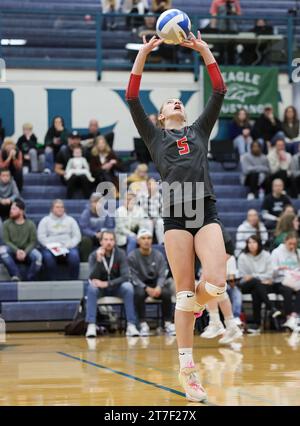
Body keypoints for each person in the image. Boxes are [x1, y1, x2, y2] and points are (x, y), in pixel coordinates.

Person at [126, 32, 228, 402]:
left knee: (216, 282)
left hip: (205, 208)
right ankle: (188, 372)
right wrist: (144, 54)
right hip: (175, 215)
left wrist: (203, 49)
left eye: (179, 100)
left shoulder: (199, 130)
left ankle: (197, 305)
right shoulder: (154, 137)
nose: (176, 103)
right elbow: (132, 97)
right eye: (170, 102)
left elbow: (218, 91)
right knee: (184, 292)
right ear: (161, 116)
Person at [85, 230, 140, 338]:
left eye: (111, 240)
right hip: (100, 289)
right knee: (91, 288)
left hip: (116, 287)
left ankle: (131, 325)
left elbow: (125, 276)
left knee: (128, 287)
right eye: (106, 240)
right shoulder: (93, 255)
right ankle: (91, 325)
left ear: (115, 242)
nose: (108, 242)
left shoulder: (121, 254)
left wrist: (108, 283)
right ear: (101, 242)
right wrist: (99, 260)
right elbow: (92, 278)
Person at [128, 228, 175, 335]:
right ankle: (142, 324)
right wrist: (146, 288)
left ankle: (167, 323)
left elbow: (162, 274)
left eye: (149, 238)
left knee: (166, 293)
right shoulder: (132, 256)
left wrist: (159, 286)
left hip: (156, 284)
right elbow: (133, 277)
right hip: (141, 285)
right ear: (138, 241)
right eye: (143, 238)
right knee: (138, 294)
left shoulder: (158, 255)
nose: (146, 241)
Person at [238, 235, 281, 332]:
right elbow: (243, 276)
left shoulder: (266, 255)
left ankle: (257, 324)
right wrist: (259, 277)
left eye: (254, 242)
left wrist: (253, 276)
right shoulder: (243, 257)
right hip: (246, 285)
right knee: (255, 283)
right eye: (249, 242)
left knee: (256, 290)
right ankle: (271, 307)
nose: (251, 245)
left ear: (259, 244)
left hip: (262, 285)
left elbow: (270, 273)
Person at [37, 199, 81, 280]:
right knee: (48, 258)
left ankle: (74, 280)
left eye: (62, 207)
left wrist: (68, 245)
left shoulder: (71, 220)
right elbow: (41, 237)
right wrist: (53, 247)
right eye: (57, 207)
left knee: (74, 256)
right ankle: (52, 281)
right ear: (52, 209)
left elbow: (77, 236)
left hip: (68, 246)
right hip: (50, 247)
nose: (60, 209)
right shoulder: (45, 221)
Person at [0, 199, 42, 281]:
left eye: (14, 209)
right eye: (11, 209)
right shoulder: (6, 224)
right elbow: (6, 241)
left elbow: (33, 241)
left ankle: (30, 278)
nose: (11, 211)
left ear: (21, 211)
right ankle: (16, 275)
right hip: (13, 249)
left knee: (38, 257)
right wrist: (17, 251)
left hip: (27, 249)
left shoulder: (30, 224)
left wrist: (25, 252)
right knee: (2, 251)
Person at [271, 233, 300, 331]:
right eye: (290, 243)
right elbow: (271, 271)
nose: (292, 246)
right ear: (285, 241)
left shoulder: (298, 252)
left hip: (295, 281)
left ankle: (294, 316)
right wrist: (279, 268)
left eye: (294, 244)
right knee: (287, 291)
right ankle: (288, 317)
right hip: (280, 281)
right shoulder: (276, 252)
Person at [79, 193, 115, 261]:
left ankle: (111, 261)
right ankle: (86, 262)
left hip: (104, 235)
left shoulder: (107, 214)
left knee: (110, 239)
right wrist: (95, 234)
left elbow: (110, 227)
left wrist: (103, 234)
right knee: (85, 240)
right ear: (91, 203)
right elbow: (84, 228)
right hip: (91, 237)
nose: (98, 204)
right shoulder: (86, 213)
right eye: (95, 202)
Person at [136, 177, 164, 244]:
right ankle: (148, 243)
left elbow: (162, 211)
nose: (152, 186)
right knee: (148, 223)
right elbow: (138, 210)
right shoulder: (141, 196)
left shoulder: (160, 197)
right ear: (147, 185)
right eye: (149, 184)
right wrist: (149, 218)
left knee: (160, 223)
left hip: (157, 219)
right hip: (145, 219)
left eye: (153, 184)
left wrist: (156, 219)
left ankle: (162, 243)